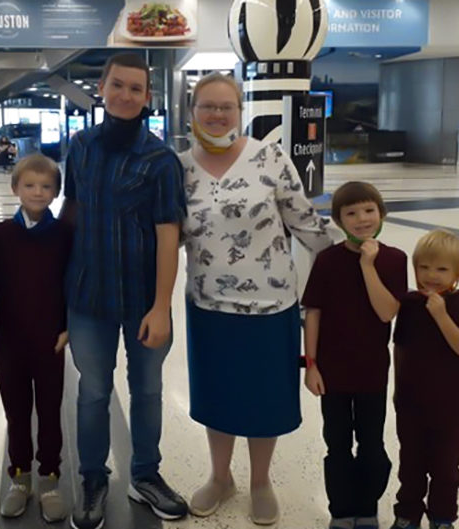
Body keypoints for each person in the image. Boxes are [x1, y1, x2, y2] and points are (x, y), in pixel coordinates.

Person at [179, 72, 334, 525]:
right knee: (218, 394)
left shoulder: (269, 157)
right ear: (192, 111)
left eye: (226, 106)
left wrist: (353, 258)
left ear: (239, 111)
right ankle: (221, 475)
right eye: (207, 105)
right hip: (208, 307)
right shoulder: (180, 167)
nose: (216, 114)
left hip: (271, 306)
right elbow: (166, 236)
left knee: (266, 398)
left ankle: (260, 480)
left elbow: (306, 223)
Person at [60, 52, 188, 529]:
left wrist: (161, 307)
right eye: (118, 85)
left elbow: (168, 235)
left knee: (148, 390)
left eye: (136, 88)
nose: (126, 95)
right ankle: (93, 478)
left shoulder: (160, 161)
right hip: (88, 296)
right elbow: (70, 214)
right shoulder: (81, 147)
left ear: (147, 96)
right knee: (93, 392)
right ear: (102, 87)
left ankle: (145, 475)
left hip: (142, 301)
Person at [302, 181, 408, 529]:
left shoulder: (394, 259)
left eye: (368, 210)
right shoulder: (327, 261)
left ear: (381, 213)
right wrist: (311, 365)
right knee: (337, 446)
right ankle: (341, 511)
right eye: (351, 213)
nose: (362, 219)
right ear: (338, 220)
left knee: (372, 447)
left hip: (371, 371)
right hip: (331, 369)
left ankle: (366, 506)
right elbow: (313, 313)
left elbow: (386, 312)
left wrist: (368, 265)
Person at [0, 154, 72, 523]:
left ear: (56, 193)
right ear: (15, 188)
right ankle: (19, 478)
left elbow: (71, 287)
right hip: (10, 343)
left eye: (46, 186)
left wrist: (67, 329)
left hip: (50, 340)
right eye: (30, 185)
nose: (37, 192)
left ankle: (49, 477)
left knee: (50, 411)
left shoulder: (65, 235)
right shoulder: (0, 236)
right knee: (16, 413)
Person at [390, 229, 459, 529]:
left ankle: (443, 516)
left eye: (442, 269)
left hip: (451, 404)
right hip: (411, 401)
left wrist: (442, 316)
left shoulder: (455, 305)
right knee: (411, 463)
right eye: (424, 267)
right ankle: (407, 513)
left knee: (446, 467)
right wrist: (398, 391)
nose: (431, 275)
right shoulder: (409, 303)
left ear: (456, 273)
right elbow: (399, 346)